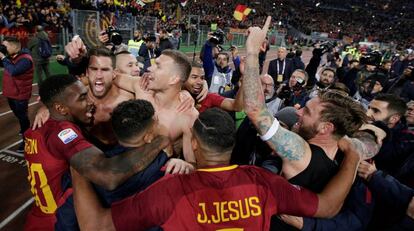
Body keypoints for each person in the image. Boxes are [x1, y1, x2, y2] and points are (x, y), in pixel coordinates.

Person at [72, 107, 361, 231]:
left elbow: (95, 226)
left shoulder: (169, 189)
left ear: (194, 144)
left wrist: (79, 166)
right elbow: (328, 206)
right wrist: (353, 158)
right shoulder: (263, 183)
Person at [242, 16, 384, 231]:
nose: (298, 112)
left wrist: (252, 52)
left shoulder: (301, 152)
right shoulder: (347, 154)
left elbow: (255, 110)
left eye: (307, 112)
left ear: (326, 128)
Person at [23, 75, 169, 231]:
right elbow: (108, 176)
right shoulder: (63, 132)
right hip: (59, 222)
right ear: (60, 108)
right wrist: (160, 143)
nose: (90, 102)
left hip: (40, 216)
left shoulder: (40, 126)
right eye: (82, 98)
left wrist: (45, 107)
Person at [0, 36, 33, 153]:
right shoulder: (11, 56)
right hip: (11, 93)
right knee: (18, 115)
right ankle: (24, 128)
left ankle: (26, 139)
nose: (3, 48)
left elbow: (14, 71)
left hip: (20, 95)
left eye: (5, 46)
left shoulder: (25, 59)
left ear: (14, 46)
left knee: (23, 117)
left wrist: (3, 58)